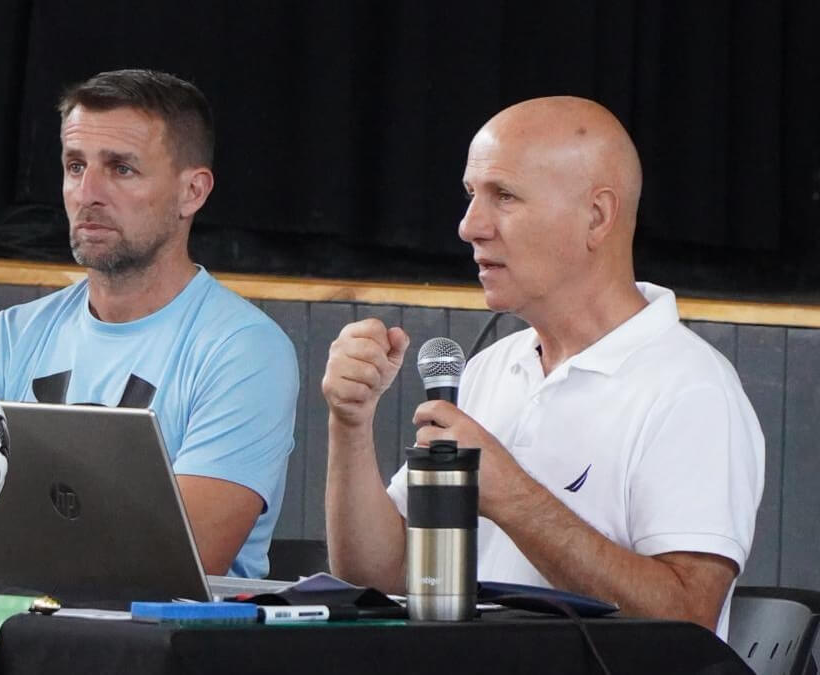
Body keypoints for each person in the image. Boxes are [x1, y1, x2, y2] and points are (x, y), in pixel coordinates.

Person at [321, 96, 763, 636]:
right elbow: (382, 577)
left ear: (597, 216)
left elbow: (688, 620)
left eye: (503, 196)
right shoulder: (490, 368)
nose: (469, 226)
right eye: (470, 196)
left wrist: (512, 497)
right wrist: (351, 423)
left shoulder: (692, 389)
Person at [0, 69, 298, 578]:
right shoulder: (5, 339)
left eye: (121, 169)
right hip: (11, 635)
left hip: (165, 649)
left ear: (193, 192)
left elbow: (182, 558)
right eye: (75, 166)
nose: (87, 192)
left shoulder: (244, 351)